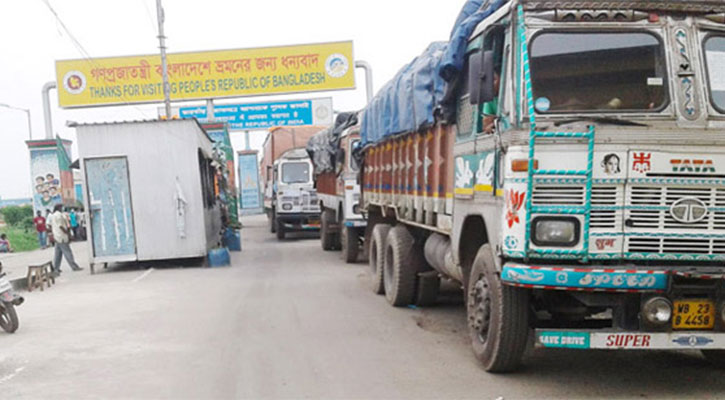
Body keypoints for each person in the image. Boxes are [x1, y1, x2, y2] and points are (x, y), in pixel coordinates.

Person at [49, 204, 82, 273]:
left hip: (57, 236)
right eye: (61, 207)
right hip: (62, 236)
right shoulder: (59, 215)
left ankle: (56, 268)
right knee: (67, 252)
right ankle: (74, 266)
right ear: (59, 208)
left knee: (58, 254)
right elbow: (61, 226)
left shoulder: (54, 215)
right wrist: (67, 233)